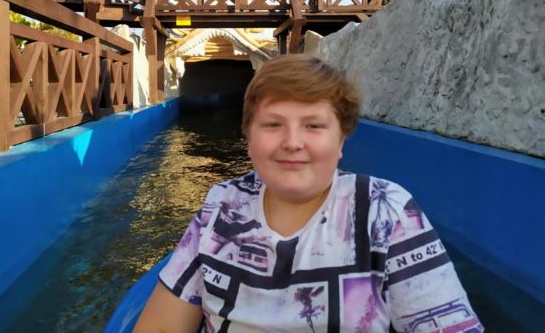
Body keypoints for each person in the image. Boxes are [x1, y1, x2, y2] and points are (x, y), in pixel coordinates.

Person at [135, 54, 483, 332]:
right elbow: (162, 326)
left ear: (341, 140)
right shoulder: (222, 205)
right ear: (249, 137)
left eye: (313, 125)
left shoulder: (384, 211)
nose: (292, 142)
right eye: (273, 124)